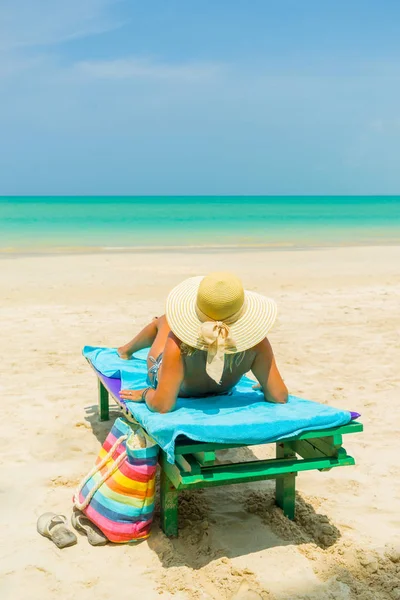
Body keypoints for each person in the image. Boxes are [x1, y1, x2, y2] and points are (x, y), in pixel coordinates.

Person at [118, 272, 288, 413]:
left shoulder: (178, 342)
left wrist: (146, 393)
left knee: (165, 320)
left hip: (181, 392)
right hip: (223, 389)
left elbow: (162, 405)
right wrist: (265, 383)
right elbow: (279, 396)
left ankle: (125, 350)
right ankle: (127, 349)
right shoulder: (257, 342)